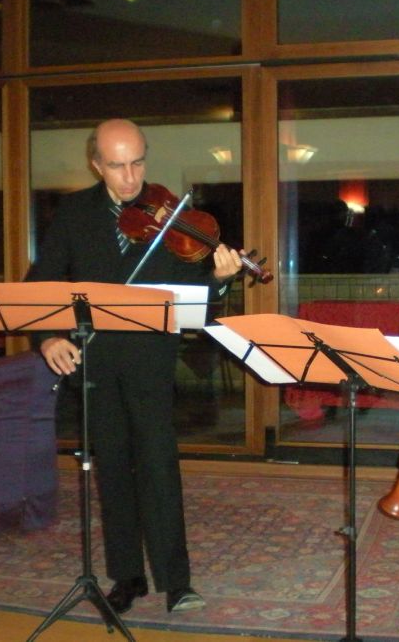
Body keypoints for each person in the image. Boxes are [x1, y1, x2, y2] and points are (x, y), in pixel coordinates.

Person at [26, 118, 242, 614]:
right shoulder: (75, 213)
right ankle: (128, 576)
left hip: (150, 358)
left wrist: (221, 279)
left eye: (138, 163)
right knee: (112, 469)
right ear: (96, 164)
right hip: (96, 359)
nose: (130, 178)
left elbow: (196, 297)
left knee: (158, 465)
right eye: (117, 166)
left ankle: (177, 580)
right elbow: (42, 282)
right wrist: (48, 336)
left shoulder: (172, 214)